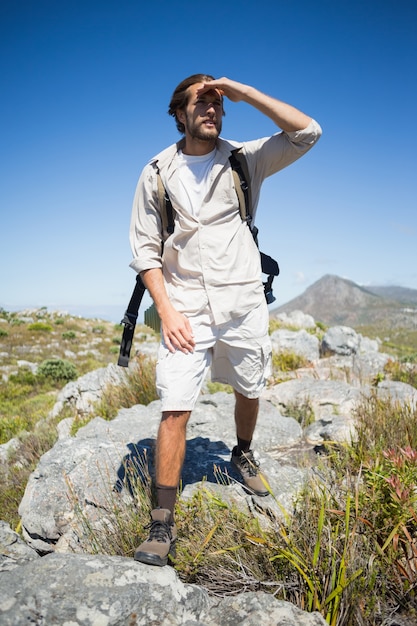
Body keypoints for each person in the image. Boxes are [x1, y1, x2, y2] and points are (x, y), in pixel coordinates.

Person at [129, 74, 321, 566]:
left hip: (242, 301)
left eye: (219, 103)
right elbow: (145, 251)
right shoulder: (156, 172)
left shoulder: (244, 159)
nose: (213, 109)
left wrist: (247, 92)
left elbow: (308, 132)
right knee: (174, 406)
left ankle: (242, 451)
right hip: (185, 307)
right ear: (180, 112)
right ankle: (161, 525)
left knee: (249, 385)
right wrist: (166, 311)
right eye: (202, 101)